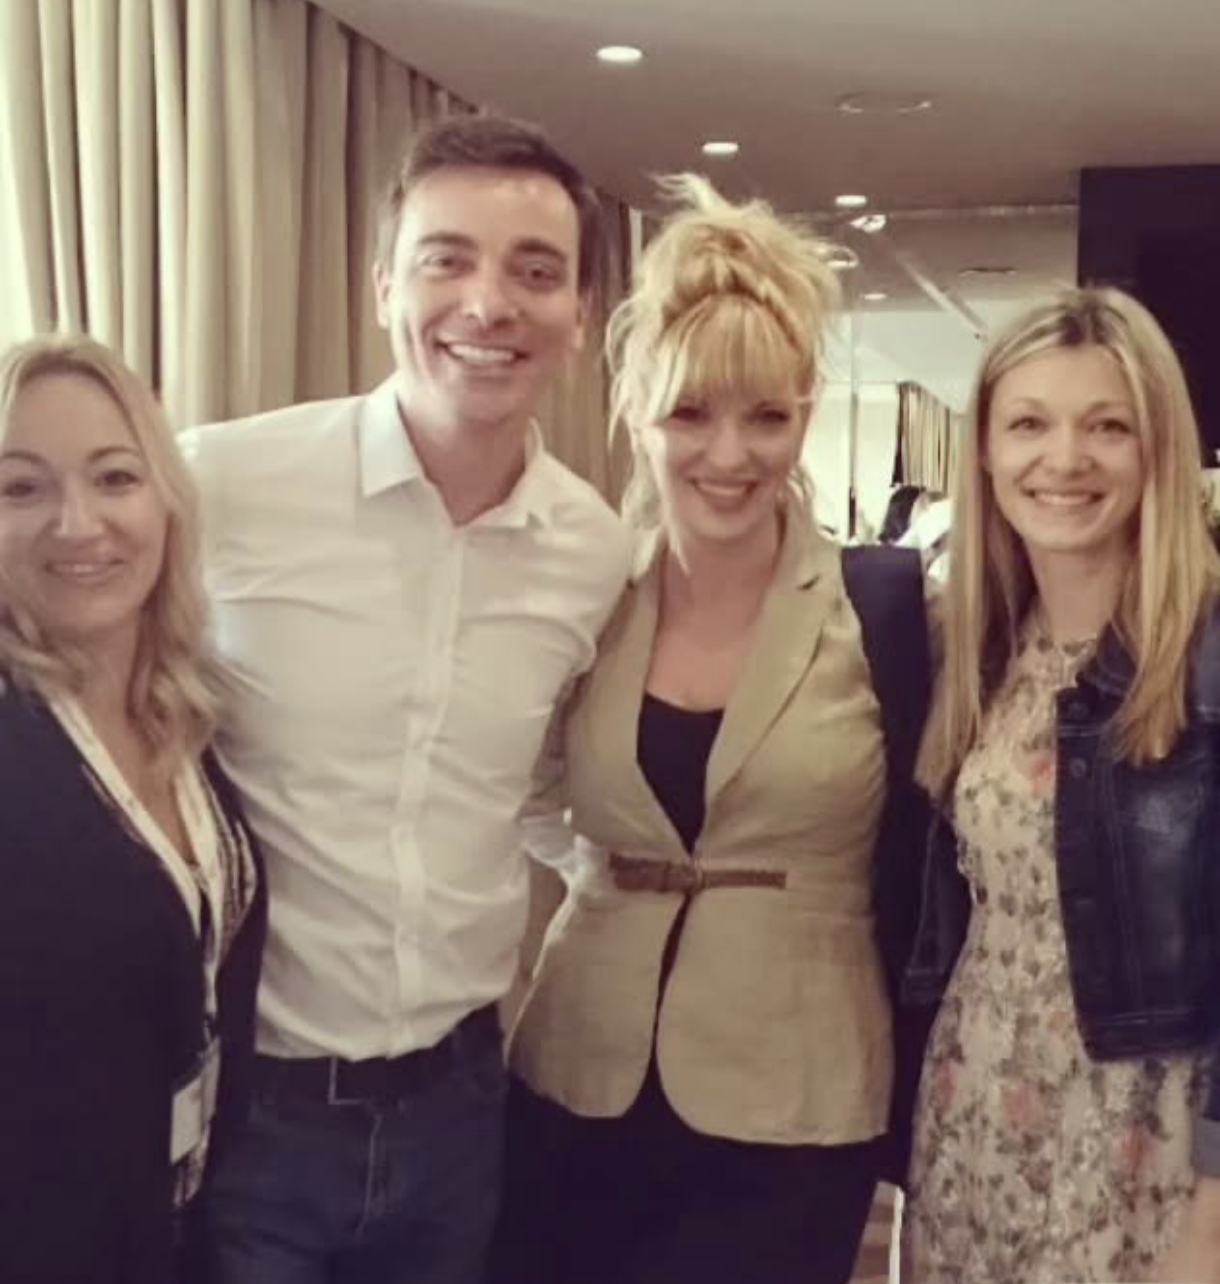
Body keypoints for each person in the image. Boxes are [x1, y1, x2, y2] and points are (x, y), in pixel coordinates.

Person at [181, 113, 631, 1284]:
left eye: (534, 271)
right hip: (248, 1112)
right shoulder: (219, 485)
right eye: (446, 259)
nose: (488, 303)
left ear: (579, 313)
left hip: (459, 1108)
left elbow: (548, 785)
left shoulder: (593, 551)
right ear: (383, 283)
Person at [488, 174, 931, 1284]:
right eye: (690, 414)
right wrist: (612, 877)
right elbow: (529, 791)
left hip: (796, 1100)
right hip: (575, 1079)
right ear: (637, 413)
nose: (728, 455)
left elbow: (926, 848)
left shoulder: (884, 610)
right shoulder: (588, 599)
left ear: (804, 416)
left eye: (765, 416)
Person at [903, 286, 1220, 1283]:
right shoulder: (977, 645)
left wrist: (1213, 1219)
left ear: (1157, 448)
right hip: (977, 1111)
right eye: (1029, 424)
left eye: (1107, 426)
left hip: (1147, 1140)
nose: (1064, 459)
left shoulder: (1204, 656)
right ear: (984, 452)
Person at [0, 336, 265, 1284]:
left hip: (170, 1226)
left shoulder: (184, 716)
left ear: (165, 500)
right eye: (20, 488)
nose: (79, 524)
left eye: (115, 477)